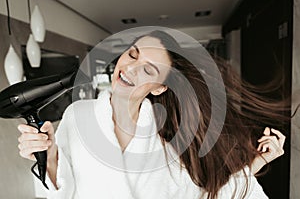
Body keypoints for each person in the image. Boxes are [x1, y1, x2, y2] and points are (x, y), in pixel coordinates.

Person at [17, 30, 287, 199]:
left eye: (148, 70)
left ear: (160, 88)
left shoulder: (172, 140)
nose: (130, 69)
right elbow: (59, 192)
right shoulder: (78, 115)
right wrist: (50, 157)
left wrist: (253, 166)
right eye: (132, 54)